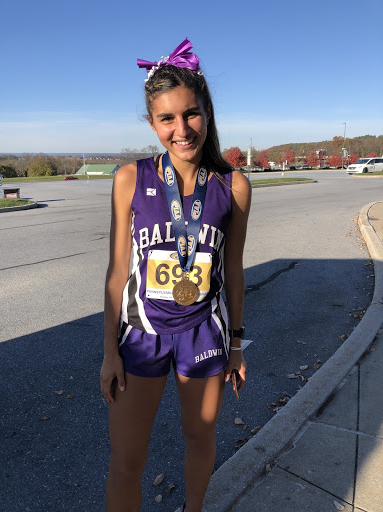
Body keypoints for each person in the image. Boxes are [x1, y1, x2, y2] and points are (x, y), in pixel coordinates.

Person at [100, 38, 251, 512]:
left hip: (204, 334)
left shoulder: (233, 185)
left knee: (199, 439)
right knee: (127, 459)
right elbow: (117, 271)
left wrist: (237, 344)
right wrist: (109, 352)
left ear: (206, 111)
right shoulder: (129, 178)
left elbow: (234, 271)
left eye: (191, 114)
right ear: (152, 123)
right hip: (141, 335)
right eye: (167, 118)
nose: (182, 129)